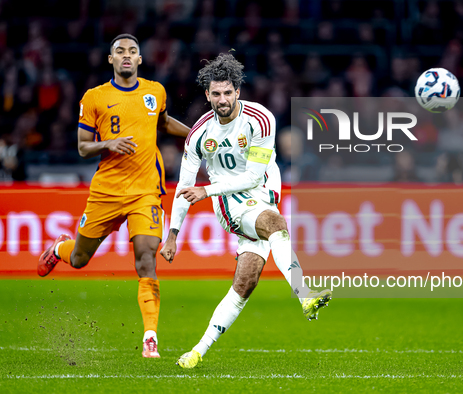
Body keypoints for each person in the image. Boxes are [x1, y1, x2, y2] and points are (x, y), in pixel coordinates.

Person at [159, 53, 332, 369]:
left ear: (237, 92)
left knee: (245, 282)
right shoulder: (199, 134)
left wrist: (204, 189)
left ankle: (196, 351)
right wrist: (172, 235)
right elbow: (185, 187)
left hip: (259, 194)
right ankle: (305, 294)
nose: (222, 99)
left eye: (228, 92)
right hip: (230, 203)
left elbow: (253, 176)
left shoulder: (260, 118)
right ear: (207, 95)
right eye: (216, 93)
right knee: (276, 223)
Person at [37, 34, 191, 358]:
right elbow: (81, 147)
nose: (126, 55)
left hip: (145, 191)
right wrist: (106, 143)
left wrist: (195, 133)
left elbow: (162, 123)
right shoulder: (94, 97)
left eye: (132, 51)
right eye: (119, 51)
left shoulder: (155, 91)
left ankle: (150, 337)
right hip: (107, 190)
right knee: (79, 259)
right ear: (110, 60)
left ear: (139, 60)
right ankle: (58, 248)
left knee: (147, 257)